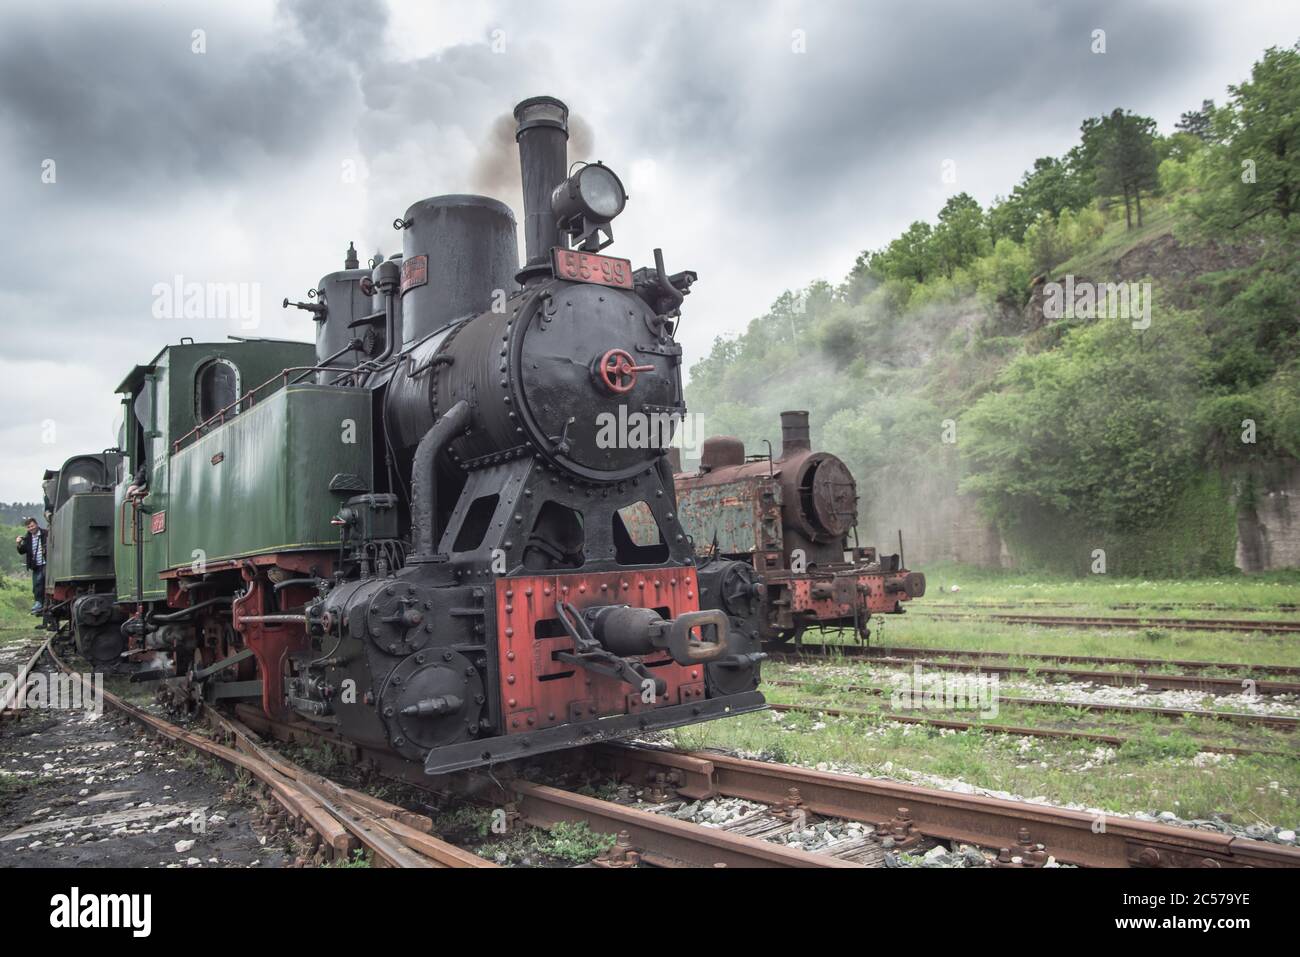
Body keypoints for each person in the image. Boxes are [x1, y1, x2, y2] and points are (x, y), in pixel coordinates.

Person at [16, 517, 48, 614]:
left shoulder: (45, 533)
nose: (31, 528)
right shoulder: (27, 538)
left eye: (32, 526)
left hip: (46, 563)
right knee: (36, 586)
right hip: (35, 565)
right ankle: (39, 604)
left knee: (40, 582)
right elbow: (22, 551)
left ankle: (40, 603)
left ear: (37, 524)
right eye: (29, 527)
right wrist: (18, 543)